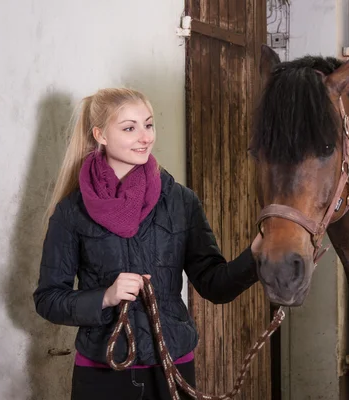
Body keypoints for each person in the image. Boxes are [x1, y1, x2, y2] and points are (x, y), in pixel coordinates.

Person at [33, 88, 262, 400]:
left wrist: (257, 256)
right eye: (130, 128)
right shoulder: (72, 211)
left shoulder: (182, 201)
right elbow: (48, 299)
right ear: (100, 135)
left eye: (148, 125)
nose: (145, 137)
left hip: (172, 368)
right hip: (101, 372)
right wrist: (105, 297)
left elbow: (214, 285)